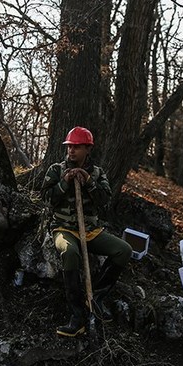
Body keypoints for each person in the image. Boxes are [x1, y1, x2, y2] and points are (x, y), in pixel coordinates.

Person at [41, 126, 132, 337]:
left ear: (88, 149)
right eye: (69, 146)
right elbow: (46, 199)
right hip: (63, 228)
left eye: (77, 147)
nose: (71, 151)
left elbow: (105, 201)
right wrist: (64, 182)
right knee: (70, 252)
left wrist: (89, 182)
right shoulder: (56, 170)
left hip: (91, 230)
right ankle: (77, 316)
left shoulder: (98, 173)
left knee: (124, 250)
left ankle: (96, 298)